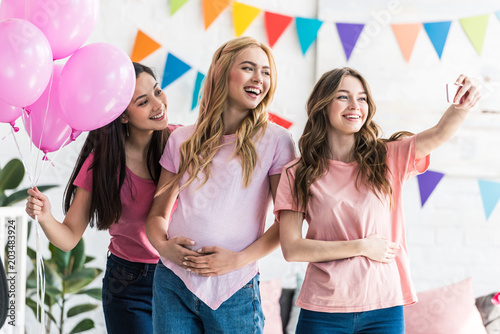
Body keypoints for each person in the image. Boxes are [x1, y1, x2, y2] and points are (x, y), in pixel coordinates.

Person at [274, 67, 480, 334]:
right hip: (323, 309)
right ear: (323, 106)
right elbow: (292, 249)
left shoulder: (387, 158)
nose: (355, 106)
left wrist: (462, 105)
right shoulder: (298, 172)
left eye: (361, 98)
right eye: (343, 97)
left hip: (383, 307)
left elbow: (439, 133)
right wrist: (360, 246)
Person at [145, 36, 296, 333]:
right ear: (222, 73)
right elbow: (157, 215)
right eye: (249, 68)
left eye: (266, 72)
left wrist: (237, 260)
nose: (259, 78)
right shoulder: (181, 140)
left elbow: (287, 224)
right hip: (173, 282)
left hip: (234, 287)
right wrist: (164, 247)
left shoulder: (277, 141)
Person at [25, 62, 177, 334]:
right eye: (143, 101)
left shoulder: (182, 141)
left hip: (180, 279)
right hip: (128, 285)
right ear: (122, 116)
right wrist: (45, 216)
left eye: (158, 91)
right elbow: (69, 237)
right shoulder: (104, 164)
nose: (158, 104)